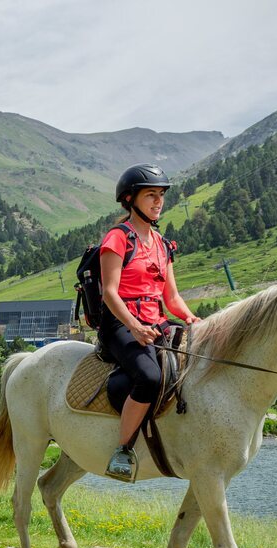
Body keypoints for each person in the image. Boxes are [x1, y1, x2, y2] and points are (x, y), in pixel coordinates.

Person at [99, 163, 200, 482]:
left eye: (161, 195)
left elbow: (172, 298)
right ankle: (123, 451)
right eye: (150, 195)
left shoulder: (163, 245)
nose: (158, 201)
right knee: (150, 377)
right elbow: (109, 294)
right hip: (120, 325)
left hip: (156, 320)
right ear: (130, 199)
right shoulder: (118, 239)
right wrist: (134, 326)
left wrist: (191, 318)